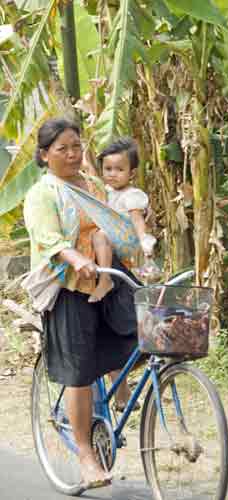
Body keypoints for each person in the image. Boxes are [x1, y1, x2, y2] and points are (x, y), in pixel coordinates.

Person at [23, 118, 141, 490]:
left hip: (106, 276)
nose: (73, 154)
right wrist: (76, 258)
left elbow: (113, 224)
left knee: (141, 335)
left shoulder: (93, 186)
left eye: (77, 146)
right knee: (78, 372)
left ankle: (120, 393)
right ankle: (86, 456)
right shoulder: (43, 193)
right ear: (45, 155)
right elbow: (48, 238)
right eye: (63, 148)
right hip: (70, 285)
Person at [88, 137, 157, 302]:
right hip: (114, 239)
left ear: (131, 173)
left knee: (100, 235)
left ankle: (105, 280)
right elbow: (91, 178)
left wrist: (144, 240)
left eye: (119, 170)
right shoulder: (106, 190)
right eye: (108, 169)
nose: (112, 174)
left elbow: (137, 219)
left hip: (127, 239)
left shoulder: (132, 195)